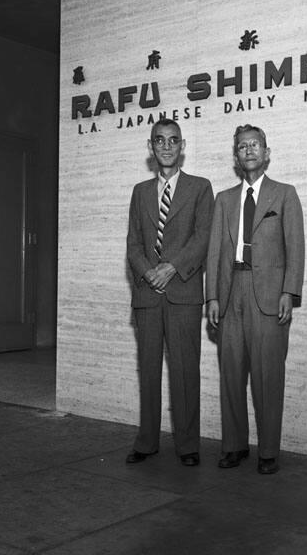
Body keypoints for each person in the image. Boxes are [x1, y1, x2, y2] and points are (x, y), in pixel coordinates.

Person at [206, 124, 305, 474]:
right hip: (231, 293)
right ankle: (234, 446)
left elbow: (296, 248)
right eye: (242, 146)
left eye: (255, 145)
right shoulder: (224, 199)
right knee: (231, 374)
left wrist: (289, 292)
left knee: (268, 377)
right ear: (236, 156)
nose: (249, 151)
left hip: (268, 296)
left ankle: (268, 451)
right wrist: (212, 298)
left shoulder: (284, 194)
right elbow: (215, 253)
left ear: (266, 153)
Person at [126, 119, 214, 466]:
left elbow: (203, 236)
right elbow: (133, 243)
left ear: (183, 146)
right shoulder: (139, 191)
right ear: (151, 147)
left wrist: (172, 267)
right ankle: (146, 442)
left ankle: (187, 445)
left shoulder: (199, 188)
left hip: (183, 292)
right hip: (148, 294)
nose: (166, 146)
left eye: (173, 140)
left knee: (184, 370)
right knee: (148, 371)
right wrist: (149, 272)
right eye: (159, 141)